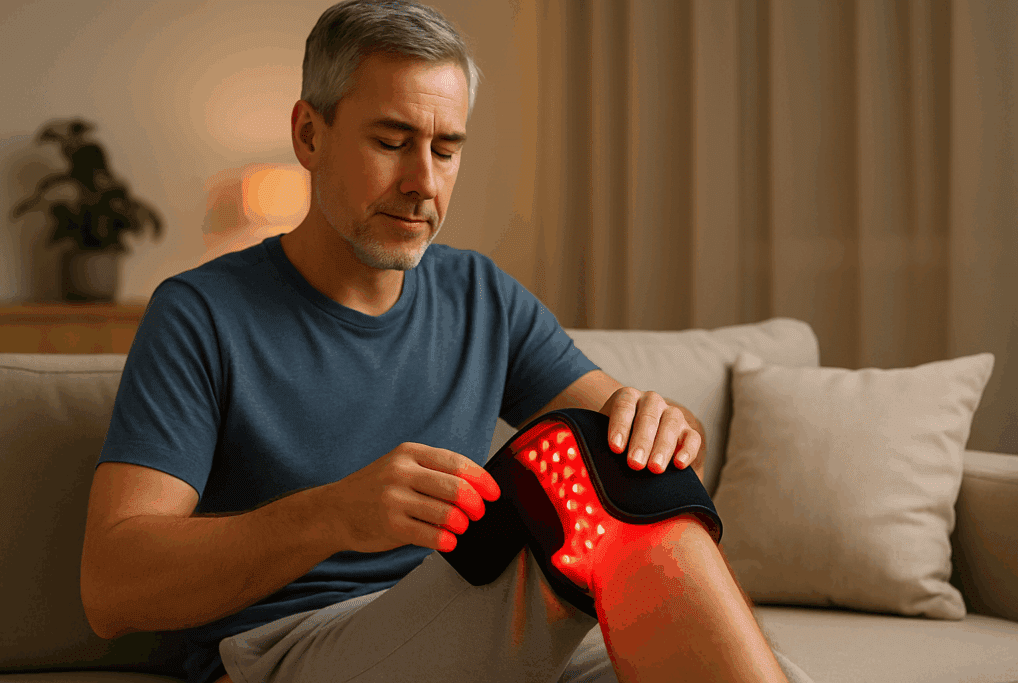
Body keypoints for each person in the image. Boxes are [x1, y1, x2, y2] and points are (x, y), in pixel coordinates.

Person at [80, 2, 804, 682]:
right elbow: (111, 588)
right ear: (309, 134)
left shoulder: (480, 295)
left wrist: (668, 426)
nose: (423, 181)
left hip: (466, 629)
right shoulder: (200, 314)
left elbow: (632, 436)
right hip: (287, 647)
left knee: (654, 525)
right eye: (391, 142)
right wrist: (333, 513)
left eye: (447, 149)